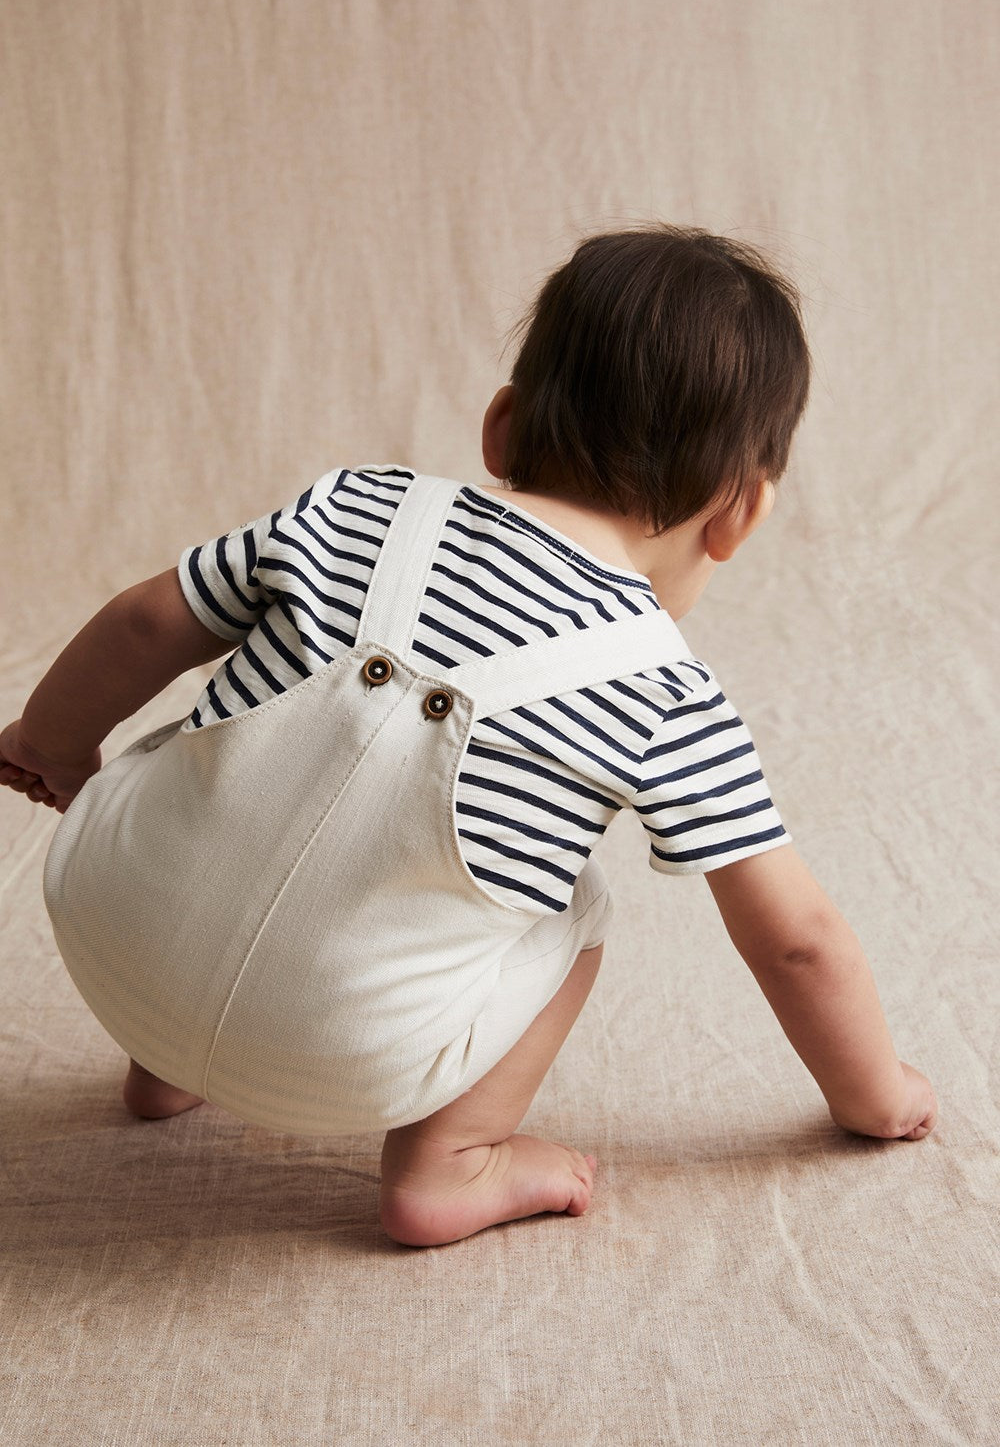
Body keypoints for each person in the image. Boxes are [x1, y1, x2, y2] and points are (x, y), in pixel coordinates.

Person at [0, 223, 937, 1248]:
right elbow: (796, 943)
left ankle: (166, 1062)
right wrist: (875, 1094)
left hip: (110, 936)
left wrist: (50, 745)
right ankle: (450, 1163)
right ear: (741, 515)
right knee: (572, 910)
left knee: (220, 776)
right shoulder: (666, 693)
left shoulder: (354, 507)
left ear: (499, 429)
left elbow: (147, 622)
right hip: (345, 1057)